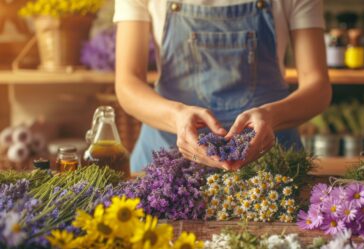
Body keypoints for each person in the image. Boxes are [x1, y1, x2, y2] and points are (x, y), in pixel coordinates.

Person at [114, 0, 331, 173]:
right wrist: (177, 117)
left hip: (269, 161)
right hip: (169, 155)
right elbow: (128, 84)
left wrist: (271, 117)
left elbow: (317, 86)